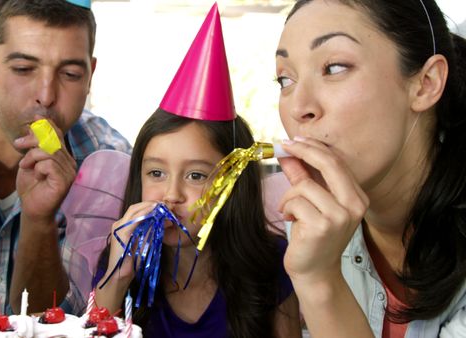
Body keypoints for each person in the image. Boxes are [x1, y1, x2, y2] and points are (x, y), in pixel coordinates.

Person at [94, 5, 301, 337]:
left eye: (196, 176)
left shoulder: (272, 264)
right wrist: (117, 278)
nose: (171, 195)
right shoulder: (119, 260)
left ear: (233, 184)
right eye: (156, 174)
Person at [275, 0, 466, 336]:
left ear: (426, 83)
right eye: (285, 80)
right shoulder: (309, 227)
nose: (299, 107)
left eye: (333, 67)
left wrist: (321, 282)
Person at [0, 0, 131, 315]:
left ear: (90, 75)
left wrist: (39, 220)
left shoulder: (112, 165)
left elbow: (64, 320)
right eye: (23, 69)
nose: (46, 95)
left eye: (71, 73)